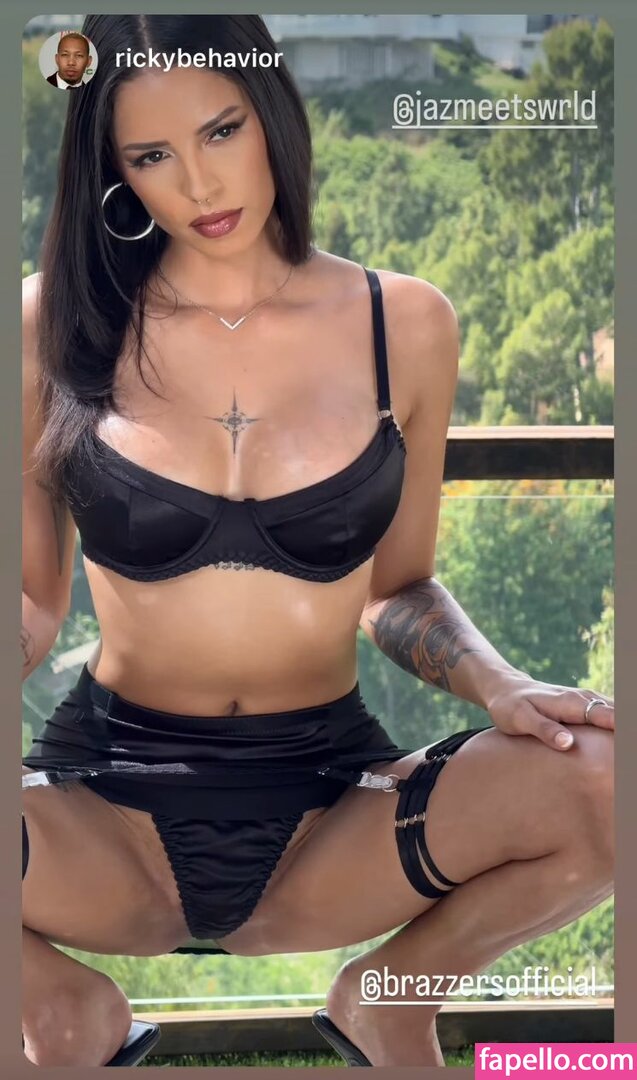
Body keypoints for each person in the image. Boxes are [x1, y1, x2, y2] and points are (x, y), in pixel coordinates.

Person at [21, 13, 614, 1069]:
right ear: (112, 172)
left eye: (221, 131)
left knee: (609, 775)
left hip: (334, 813)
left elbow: (398, 587)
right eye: (151, 155)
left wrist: (500, 685)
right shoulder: (45, 325)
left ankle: (388, 1001)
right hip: (102, 813)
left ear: (272, 117)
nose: (199, 184)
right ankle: (60, 1012)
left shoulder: (404, 326)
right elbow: (31, 599)